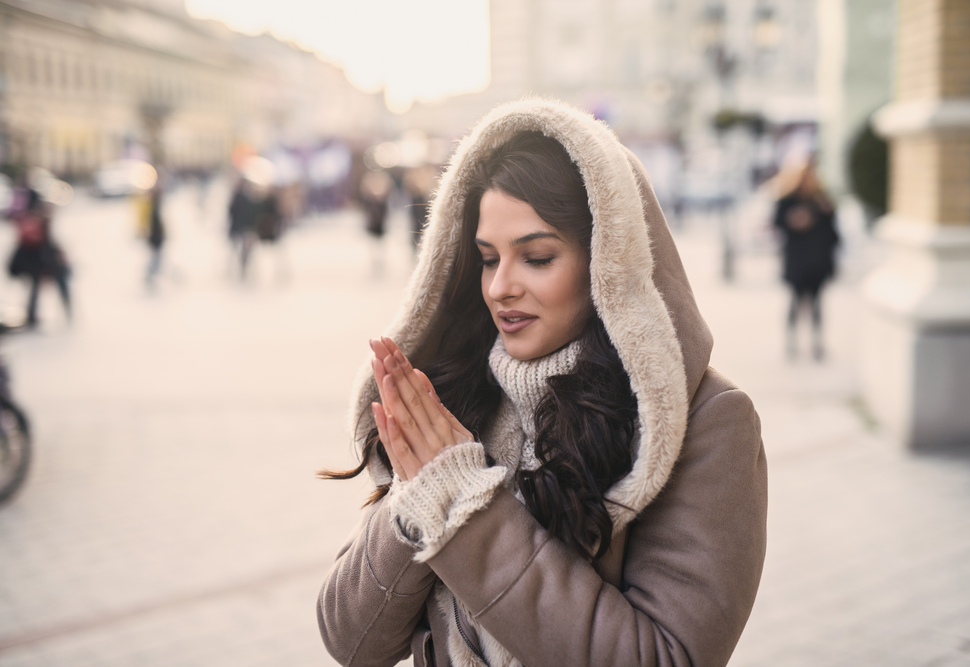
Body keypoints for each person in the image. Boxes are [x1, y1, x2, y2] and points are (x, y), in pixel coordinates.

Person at [317, 100, 767, 667]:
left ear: (609, 261)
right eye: (486, 258)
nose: (500, 287)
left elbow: (663, 656)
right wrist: (420, 495)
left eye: (536, 257)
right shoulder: (460, 395)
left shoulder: (709, 422)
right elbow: (350, 641)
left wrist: (467, 511)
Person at [772, 159, 840, 361]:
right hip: (797, 261)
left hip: (818, 261)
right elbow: (777, 224)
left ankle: (816, 343)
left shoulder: (822, 200)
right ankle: (791, 342)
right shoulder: (787, 201)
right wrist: (793, 221)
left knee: (817, 303)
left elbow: (834, 234)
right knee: (795, 301)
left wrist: (827, 213)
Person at [6, 177, 71, 328]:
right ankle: (65, 311)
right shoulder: (39, 220)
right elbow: (48, 241)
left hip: (36, 259)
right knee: (58, 281)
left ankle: (33, 316)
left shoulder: (30, 218)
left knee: (37, 287)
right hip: (41, 258)